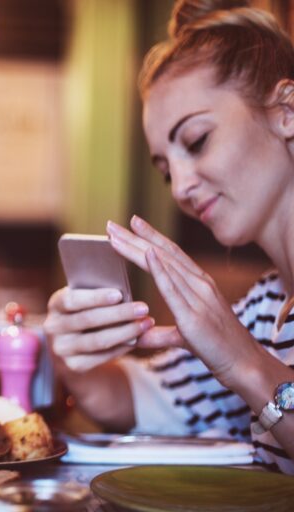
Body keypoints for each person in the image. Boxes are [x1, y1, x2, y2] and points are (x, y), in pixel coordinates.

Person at [44, 0, 294, 473]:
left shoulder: (247, 335)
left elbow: (241, 365)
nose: (180, 188)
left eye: (197, 140)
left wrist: (243, 364)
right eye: (164, 171)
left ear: (286, 110)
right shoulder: (265, 312)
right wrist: (69, 356)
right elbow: (131, 397)